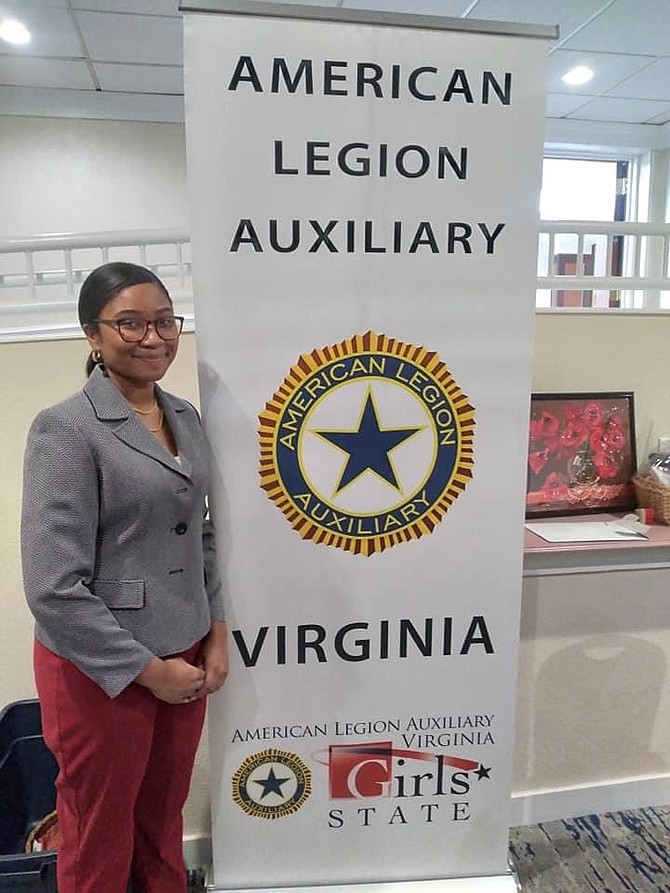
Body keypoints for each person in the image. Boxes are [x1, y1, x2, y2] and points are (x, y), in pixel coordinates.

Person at [20, 262, 228, 893]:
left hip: (186, 648)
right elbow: (53, 586)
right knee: (98, 829)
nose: (153, 337)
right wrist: (148, 671)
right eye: (130, 323)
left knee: (160, 818)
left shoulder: (186, 416)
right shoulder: (65, 429)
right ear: (93, 335)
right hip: (100, 670)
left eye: (165, 321)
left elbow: (203, 534)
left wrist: (216, 629)